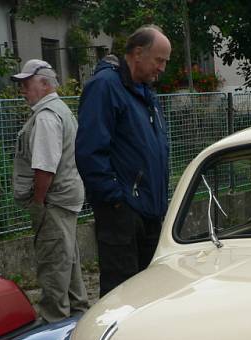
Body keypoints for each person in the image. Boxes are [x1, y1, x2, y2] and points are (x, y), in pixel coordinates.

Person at [75, 25, 171, 297]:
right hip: (123, 215)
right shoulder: (105, 87)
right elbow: (89, 151)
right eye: (159, 60)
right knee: (122, 295)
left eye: (165, 61)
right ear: (138, 53)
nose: (162, 68)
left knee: (149, 293)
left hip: (149, 212)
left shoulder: (144, 92)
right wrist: (116, 201)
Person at [11, 59, 89, 322]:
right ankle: (78, 319)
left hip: (53, 202)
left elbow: (45, 167)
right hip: (66, 197)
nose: (22, 89)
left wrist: (38, 202)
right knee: (68, 262)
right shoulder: (61, 110)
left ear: (44, 84)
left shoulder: (45, 117)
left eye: (26, 83)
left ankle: (54, 324)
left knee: (54, 266)